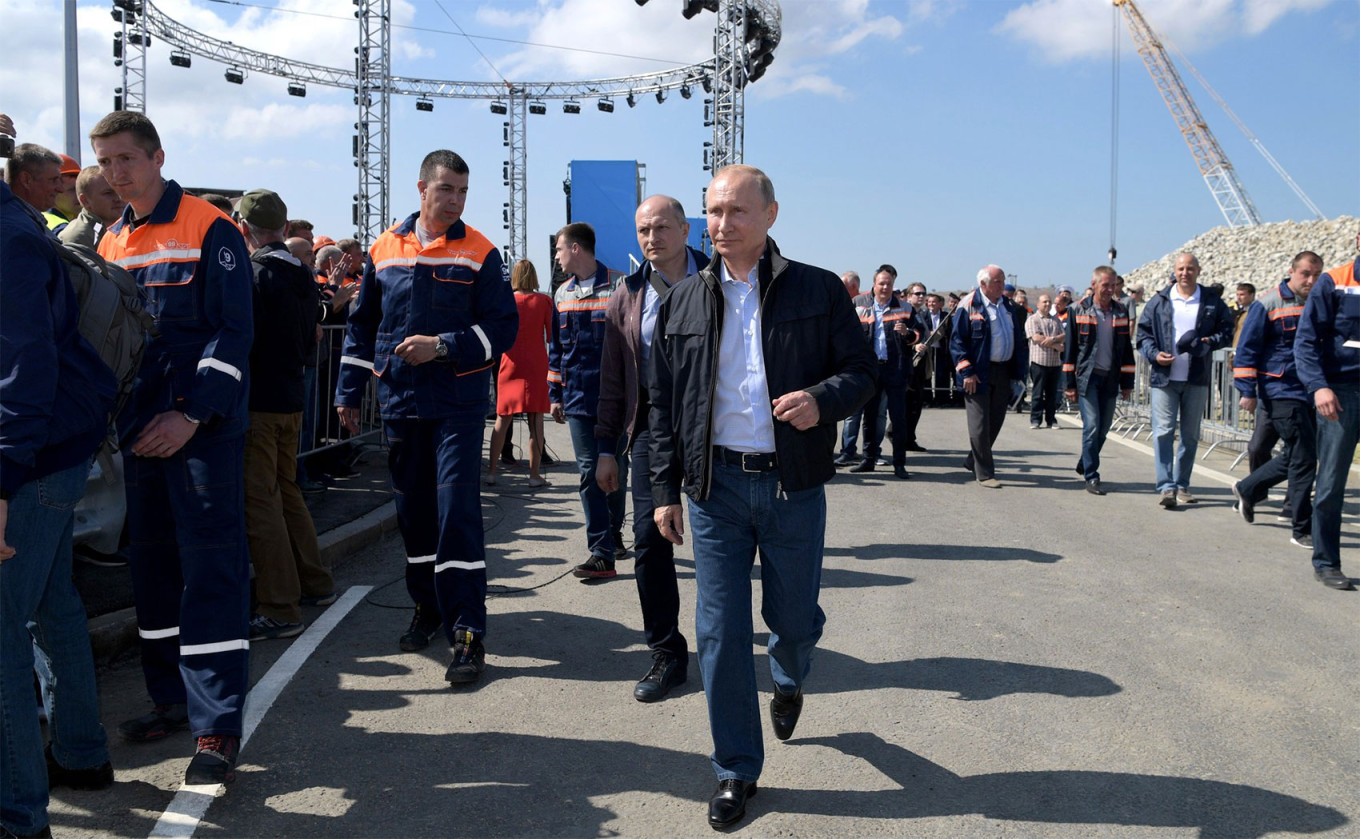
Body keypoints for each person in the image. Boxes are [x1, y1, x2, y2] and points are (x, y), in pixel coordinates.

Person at [648, 165, 875, 830]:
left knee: (794, 620)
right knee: (717, 631)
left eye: (736, 212)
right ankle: (734, 768)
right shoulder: (683, 300)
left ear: (771, 214)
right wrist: (665, 489)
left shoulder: (817, 289)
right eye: (713, 212)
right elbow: (661, 405)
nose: (721, 225)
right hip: (714, 489)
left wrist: (820, 400)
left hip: (791, 484)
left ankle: (788, 669)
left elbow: (862, 372)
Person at [92, 110, 254, 785]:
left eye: (125, 158)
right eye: (105, 162)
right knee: (152, 570)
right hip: (138, 435)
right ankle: (168, 700)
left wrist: (190, 416)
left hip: (199, 435)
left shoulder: (210, 228)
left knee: (210, 572)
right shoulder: (109, 241)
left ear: (158, 157)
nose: (114, 173)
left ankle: (215, 728)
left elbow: (233, 333)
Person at [335, 149, 518, 682]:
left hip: (457, 405)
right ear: (421, 189)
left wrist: (442, 347)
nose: (455, 200)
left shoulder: (481, 251)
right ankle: (428, 606)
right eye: (446, 190)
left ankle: (467, 631)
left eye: (462, 191)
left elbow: (501, 328)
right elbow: (362, 325)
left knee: (456, 510)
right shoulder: (385, 247)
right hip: (399, 403)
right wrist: (348, 390)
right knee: (413, 514)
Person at [1, 177, 118, 839]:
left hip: (32, 457)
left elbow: (24, 367)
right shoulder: (16, 224)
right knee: (52, 601)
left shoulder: (10, 237)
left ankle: (17, 813)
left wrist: (2, 476)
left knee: (4, 635)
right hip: (52, 447)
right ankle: (79, 752)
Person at [595, 195, 708, 702]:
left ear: (686, 230)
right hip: (649, 433)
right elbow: (614, 375)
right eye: (643, 229)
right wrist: (605, 446)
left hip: (713, 429)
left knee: (718, 544)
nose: (651, 238)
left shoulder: (717, 281)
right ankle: (666, 651)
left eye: (662, 227)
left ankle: (730, 642)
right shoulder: (626, 293)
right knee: (648, 541)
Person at [236, 189, 335, 641]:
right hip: (291, 396)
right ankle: (314, 583)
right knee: (286, 492)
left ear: (244, 228)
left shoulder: (254, 273)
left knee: (261, 502)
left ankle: (280, 606)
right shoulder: (301, 270)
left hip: (260, 399)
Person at [548, 222, 628, 579]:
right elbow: (556, 350)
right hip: (579, 399)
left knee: (615, 469)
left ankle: (613, 533)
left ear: (576, 248)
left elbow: (631, 345)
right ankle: (600, 550)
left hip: (616, 399)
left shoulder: (620, 285)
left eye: (559, 249)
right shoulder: (561, 295)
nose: (556, 256)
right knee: (588, 473)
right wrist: (555, 394)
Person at [1230, 252, 1319, 549]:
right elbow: (1247, 351)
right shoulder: (1267, 304)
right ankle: (1301, 527)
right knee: (1303, 457)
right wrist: (1247, 391)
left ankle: (1249, 488)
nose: (1311, 280)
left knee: (1299, 455)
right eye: (1306, 273)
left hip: (1311, 390)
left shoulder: (1319, 302)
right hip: (1281, 389)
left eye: (1317, 274)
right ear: (1291, 271)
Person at [1135, 252, 1233, 509]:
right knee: (1163, 432)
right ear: (1174, 271)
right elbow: (1143, 335)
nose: (1185, 273)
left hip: (1196, 378)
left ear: (1198, 271)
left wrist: (1210, 342)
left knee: (1190, 435)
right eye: (1180, 268)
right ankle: (1166, 486)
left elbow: (1227, 330)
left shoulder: (1212, 301)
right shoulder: (1160, 301)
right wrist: (1155, 355)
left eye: (1190, 268)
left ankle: (1182, 484)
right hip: (1165, 378)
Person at [1294, 227, 1360, 591]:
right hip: (1341, 393)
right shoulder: (1334, 282)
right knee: (1333, 481)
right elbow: (1306, 340)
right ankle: (1326, 562)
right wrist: (1319, 386)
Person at [950, 265, 1028, 488]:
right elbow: (956, 343)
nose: (1002, 285)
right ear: (983, 284)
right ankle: (984, 473)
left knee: (996, 421)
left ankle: (972, 459)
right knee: (979, 425)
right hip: (977, 373)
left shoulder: (1009, 307)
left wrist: (1018, 373)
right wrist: (967, 371)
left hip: (1003, 371)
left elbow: (1019, 339)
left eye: (1003, 281)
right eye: (997, 282)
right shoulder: (969, 305)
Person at [1064, 266, 1135, 495]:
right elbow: (1070, 350)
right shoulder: (1077, 309)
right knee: (1092, 426)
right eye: (1105, 284)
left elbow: (1126, 351)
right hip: (1087, 379)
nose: (1109, 289)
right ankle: (1092, 476)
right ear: (1093, 284)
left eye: (1113, 285)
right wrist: (1069, 385)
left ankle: (1086, 460)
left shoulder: (1121, 311)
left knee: (1104, 429)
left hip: (1111, 378)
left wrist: (1127, 382)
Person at [486, 259, 553, 487]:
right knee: (536, 421)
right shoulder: (544, 301)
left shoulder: (505, 302)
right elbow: (551, 336)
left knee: (502, 419)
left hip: (509, 363)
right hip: (536, 364)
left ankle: (492, 472)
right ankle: (534, 476)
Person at [850, 267, 917, 478]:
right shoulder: (859, 305)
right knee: (869, 418)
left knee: (898, 419)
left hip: (895, 369)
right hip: (870, 370)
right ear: (874, 284)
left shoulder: (905, 308)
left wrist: (908, 334)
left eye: (888, 283)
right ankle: (868, 460)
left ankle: (899, 464)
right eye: (881, 283)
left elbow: (918, 334)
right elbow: (848, 335)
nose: (885, 287)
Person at [834, 270, 865, 466]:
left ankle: (851, 450)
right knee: (851, 415)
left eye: (843, 285)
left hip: (857, 367)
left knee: (861, 414)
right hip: (844, 367)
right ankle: (847, 450)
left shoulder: (861, 305)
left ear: (853, 287)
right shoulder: (841, 303)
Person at [57, 165, 124, 249]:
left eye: (119, 190)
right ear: (85, 201)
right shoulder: (77, 237)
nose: (118, 198)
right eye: (108, 193)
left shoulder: (131, 226)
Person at [1025, 292, 1064, 429]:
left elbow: (1063, 335)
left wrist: (1052, 339)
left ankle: (1051, 419)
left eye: (1049, 302)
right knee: (1037, 393)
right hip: (1039, 362)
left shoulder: (1056, 320)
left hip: (1054, 363)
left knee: (1052, 394)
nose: (1047, 304)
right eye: (1044, 302)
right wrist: (1055, 344)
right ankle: (1035, 419)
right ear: (1038, 304)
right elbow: (1035, 338)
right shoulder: (1033, 319)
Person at [5, 143, 62, 217]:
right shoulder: (13, 224)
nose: (61, 189)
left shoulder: (23, 220)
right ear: (26, 180)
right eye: (53, 180)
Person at [1231, 282, 1256, 348]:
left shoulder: (1256, 312)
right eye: (1237, 295)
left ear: (1252, 295)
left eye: (1242, 295)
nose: (1238, 298)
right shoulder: (1234, 310)